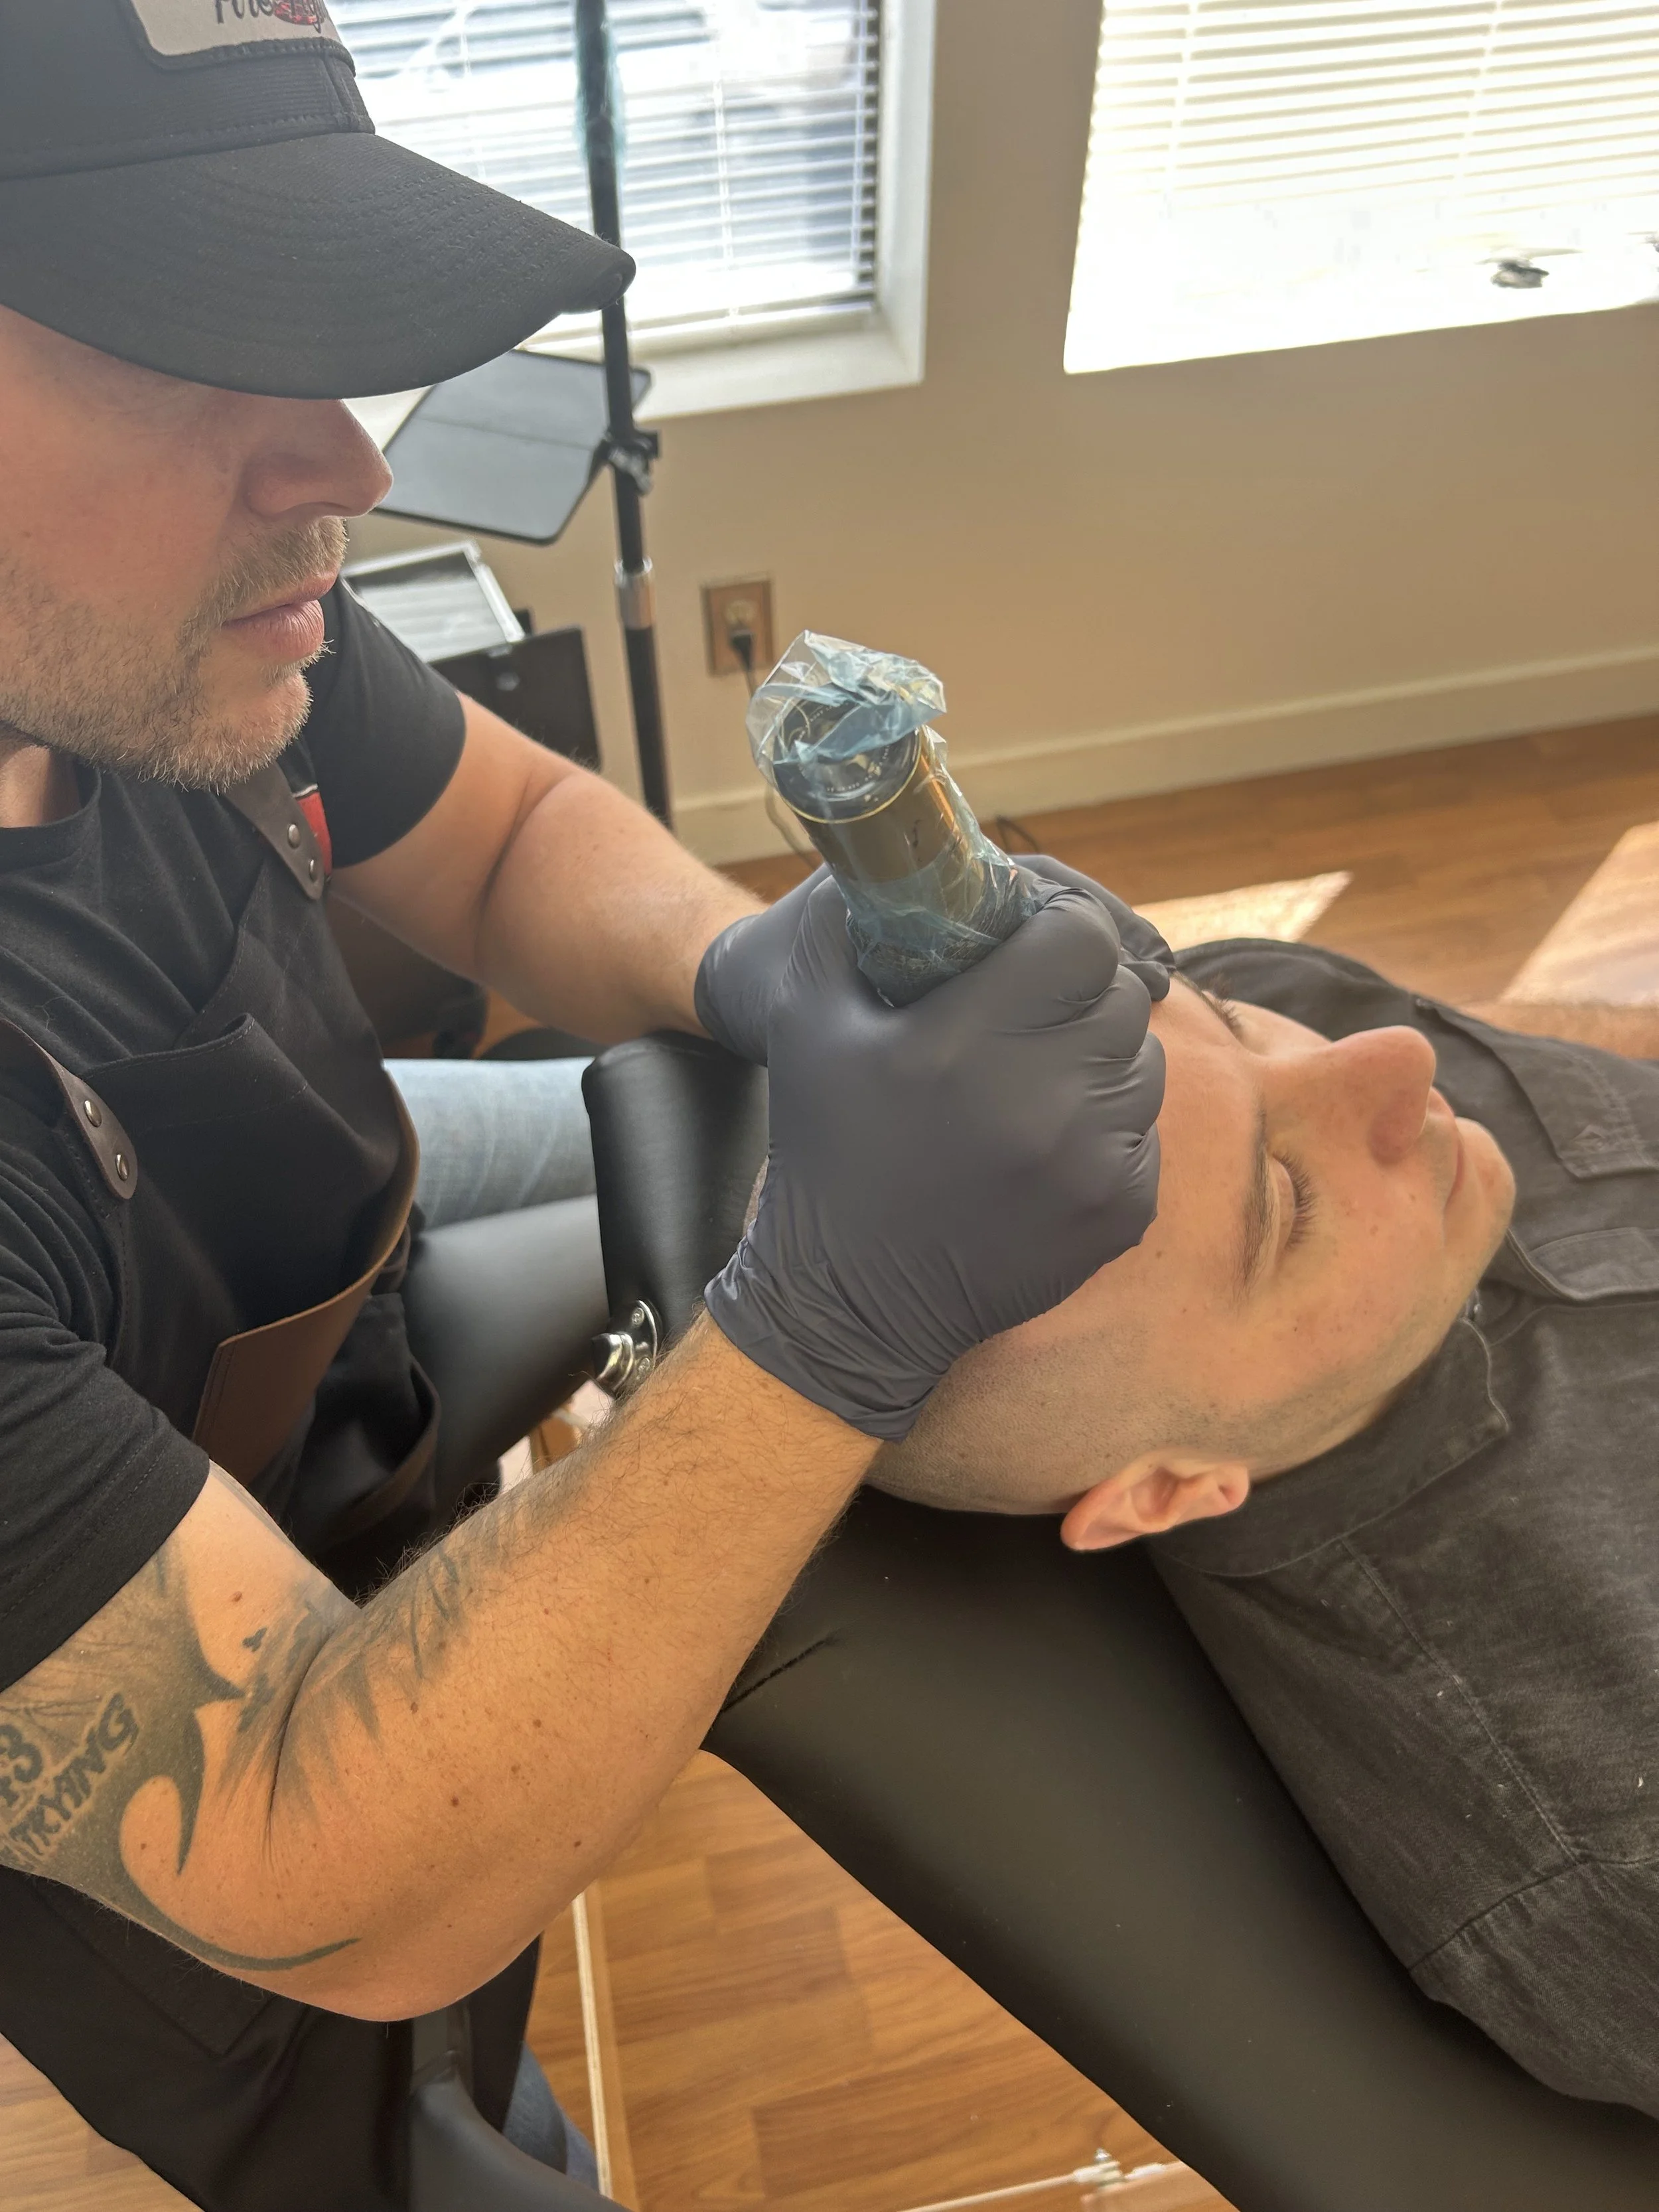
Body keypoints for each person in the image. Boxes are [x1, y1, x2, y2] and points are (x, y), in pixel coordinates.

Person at [0, 10, 1171, 2207]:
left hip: (325, 1223)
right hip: (183, 1741)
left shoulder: (166, 625)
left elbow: (512, 833)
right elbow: (322, 1850)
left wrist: (747, 973)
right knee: (434, 2118)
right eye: (190, 350)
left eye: (318, 341)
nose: (340, 464)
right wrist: (818, 1330)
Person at [876, 932, 1659, 2121]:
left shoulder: (1268, 1031)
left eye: (1229, 1022)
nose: (1389, 1061)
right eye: (1286, 1204)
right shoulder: (1608, 1846)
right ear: (1168, 1488)